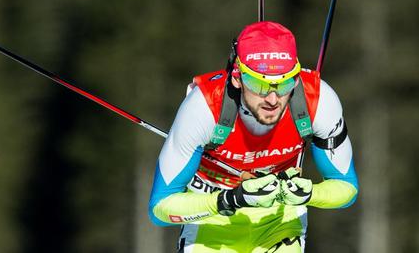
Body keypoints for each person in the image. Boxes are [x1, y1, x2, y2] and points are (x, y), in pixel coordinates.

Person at [148, 21, 358, 253]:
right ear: (237, 77)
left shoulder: (318, 101)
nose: (272, 99)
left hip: (280, 222)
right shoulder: (203, 108)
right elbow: (160, 208)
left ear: (297, 79)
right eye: (258, 84)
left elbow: (347, 189)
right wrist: (230, 199)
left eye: (284, 83)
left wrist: (309, 194)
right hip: (212, 221)